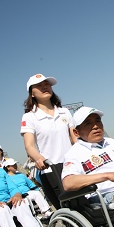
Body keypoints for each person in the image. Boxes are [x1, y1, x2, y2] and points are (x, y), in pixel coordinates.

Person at [21, 73, 77, 210]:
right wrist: (38, 158)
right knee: (67, 209)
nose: (45, 87)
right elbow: (29, 145)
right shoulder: (29, 117)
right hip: (51, 168)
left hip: (72, 164)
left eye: (47, 84)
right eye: (39, 86)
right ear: (32, 94)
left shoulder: (64, 112)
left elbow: (75, 138)